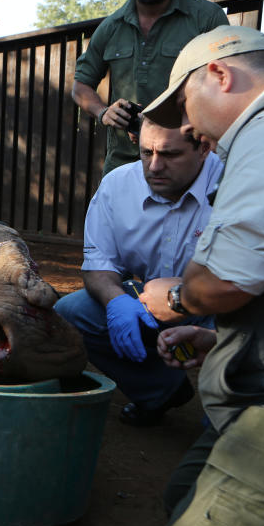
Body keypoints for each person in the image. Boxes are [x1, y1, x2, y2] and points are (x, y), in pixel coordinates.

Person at [134, 26, 264, 526]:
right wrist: (219, 338)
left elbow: (224, 282)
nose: (189, 125)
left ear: (220, 74)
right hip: (251, 374)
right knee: (183, 496)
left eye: (186, 106)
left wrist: (176, 298)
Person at [54, 117, 221, 426]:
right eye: (147, 152)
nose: (154, 166)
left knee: (223, 433)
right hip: (150, 304)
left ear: (204, 149)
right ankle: (161, 390)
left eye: (170, 155)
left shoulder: (236, 186)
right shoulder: (118, 185)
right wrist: (116, 301)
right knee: (72, 312)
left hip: (228, 308)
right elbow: (99, 264)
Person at [71, 0, 229, 175]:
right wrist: (103, 112)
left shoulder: (206, 18)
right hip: (123, 163)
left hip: (188, 161)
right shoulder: (111, 27)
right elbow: (81, 85)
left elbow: (224, 84)